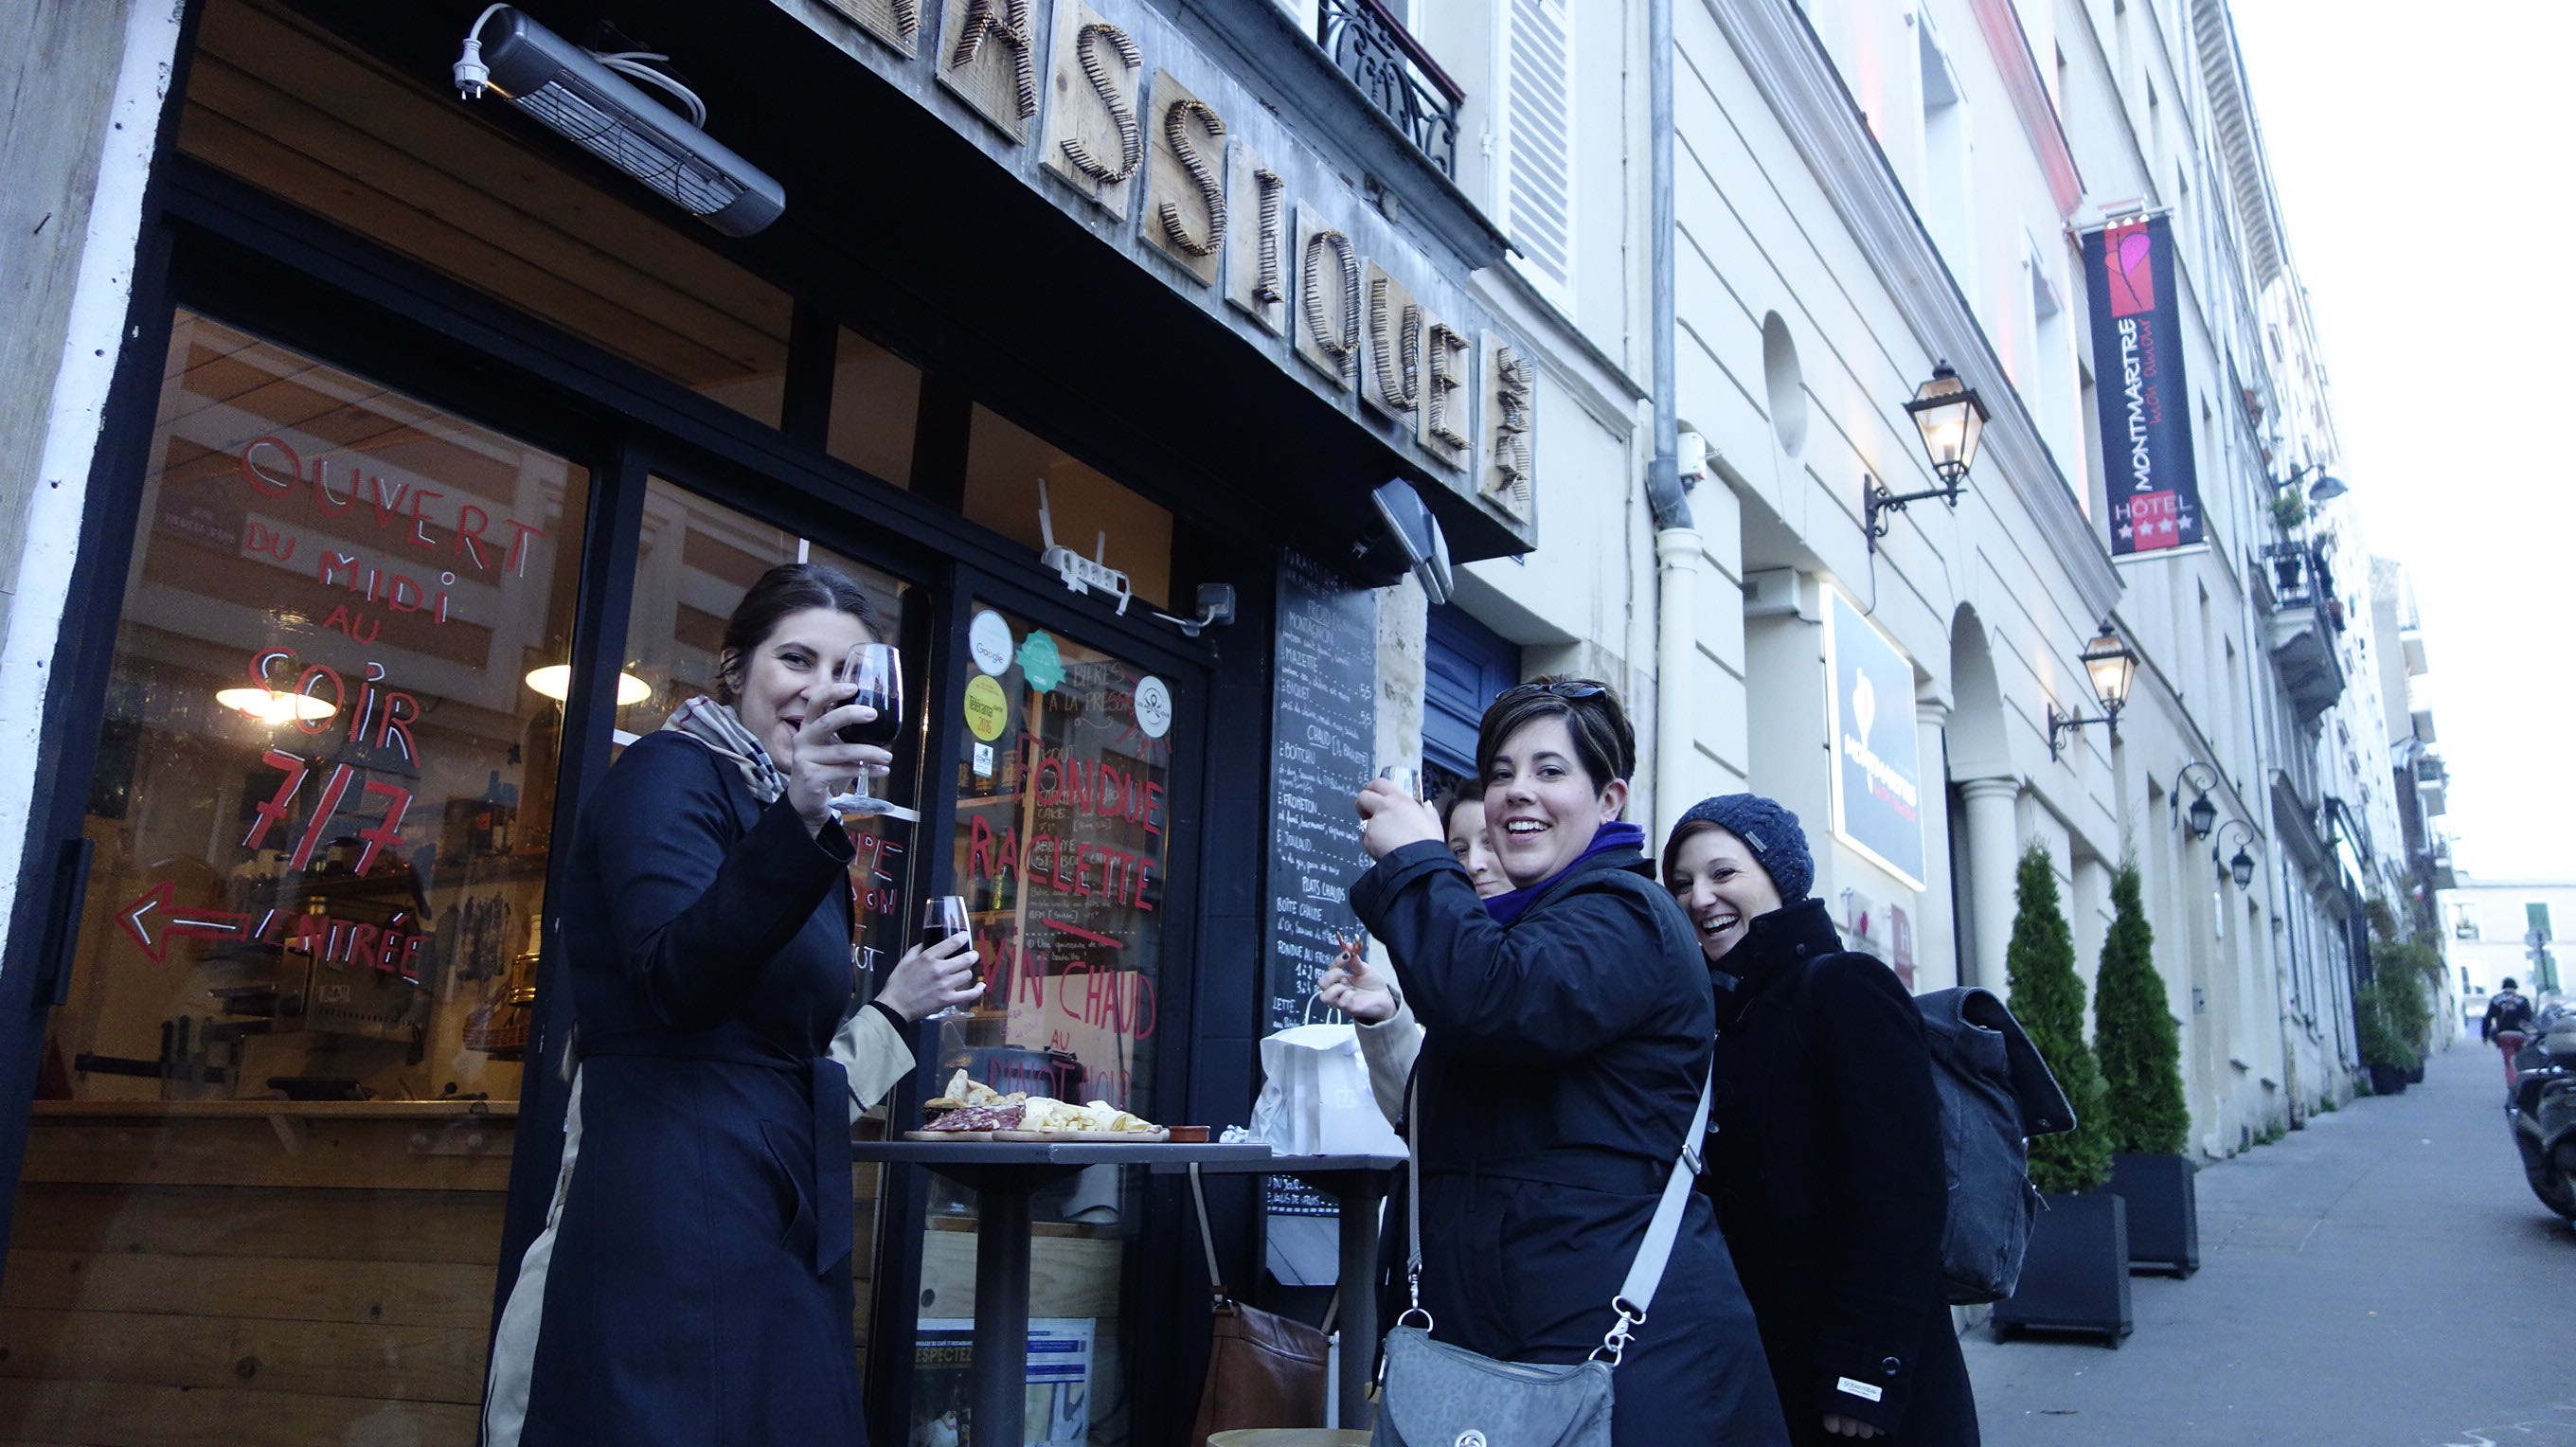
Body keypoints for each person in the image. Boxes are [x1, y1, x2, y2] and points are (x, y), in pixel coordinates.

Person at [484, 563, 984, 1445]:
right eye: (797, 660)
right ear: (736, 668)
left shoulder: (791, 814)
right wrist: (797, 822)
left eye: (845, 671)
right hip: (675, 1207)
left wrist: (896, 1011)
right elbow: (673, 980)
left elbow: (791, 1045)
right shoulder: (670, 777)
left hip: (770, 1208)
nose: (821, 691)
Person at [1351, 680, 1787, 1445]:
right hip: (1520, 1361)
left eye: (1550, 771)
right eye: (1501, 773)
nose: (1519, 792)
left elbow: (1497, 1004)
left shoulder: (1624, 913)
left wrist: (1419, 863)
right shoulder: (1518, 929)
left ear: (1609, 799)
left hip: (1633, 1370)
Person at [1663, 795, 1974, 1445]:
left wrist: (1866, 1371)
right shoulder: (1717, 1014)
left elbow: (1903, 1195)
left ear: (1780, 878)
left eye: (1724, 874)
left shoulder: (1844, 987)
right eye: (1683, 883)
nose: (1699, 898)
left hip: (1856, 1383)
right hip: (1763, 1365)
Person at [1317, 786, 1505, 1121]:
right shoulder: (1444, 953)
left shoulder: (1550, 942)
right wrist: (1385, 1018)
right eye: (1457, 850)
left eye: (1490, 842)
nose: (1474, 864)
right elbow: (1425, 1122)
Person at [2485, 977, 2538, 1089]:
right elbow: (2528, 1019)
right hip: (2521, 1036)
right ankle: (2524, 1085)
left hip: (2505, 1035)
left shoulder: (2496, 999)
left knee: (2509, 1063)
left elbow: (2487, 1018)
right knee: (2522, 1062)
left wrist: (2485, 1035)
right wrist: (2533, 1035)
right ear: (2515, 987)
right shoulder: (2523, 1000)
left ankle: (2513, 1087)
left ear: (2503, 987)